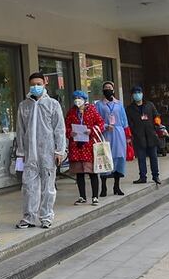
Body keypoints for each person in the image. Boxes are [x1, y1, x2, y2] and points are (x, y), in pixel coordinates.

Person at [15, 73, 66, 229]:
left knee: (48, 187)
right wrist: (20, 153)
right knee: (29, 186)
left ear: (45, 83)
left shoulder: (53, 104)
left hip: (48, 152)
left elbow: (59, 129)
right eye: (33, 84)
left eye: (39, 83)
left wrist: (59, 151)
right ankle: (29, 217)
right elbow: (20, 130)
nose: (36, 87)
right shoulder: (24, 105)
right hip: (30, 154)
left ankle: (46, 216)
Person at [66, 90, 105, 206]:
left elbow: (101, 124)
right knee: (79, 173)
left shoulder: (92, 110)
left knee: (92, 172)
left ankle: (95, 196)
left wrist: (91, 130)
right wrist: (70, 133)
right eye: (75, 98)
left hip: (89, 146)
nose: (77, 100)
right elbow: (65, 126)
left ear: (84, 99)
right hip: (76, 146)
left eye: (79, 97)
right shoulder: (71, 112)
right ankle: (82, 196)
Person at [95, 81, 129, 197]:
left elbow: (124, 121)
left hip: (118, 133)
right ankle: (103, 187)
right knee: (105, 158)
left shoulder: (119, 104)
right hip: (105, 134)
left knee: (119, 158)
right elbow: (96, 121)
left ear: (113, 90)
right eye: (105, 88)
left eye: (109, 87)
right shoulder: (99, 105)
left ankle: (117, 185)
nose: (107, 89)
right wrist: (104, 126)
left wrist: (127, 136)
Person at [126, 86, 162, 185]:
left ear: (142, 94)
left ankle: (156, 176)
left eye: (139, 92)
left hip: (151, 135)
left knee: (153, 157)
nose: (137, 94)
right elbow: (129, 122)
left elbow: (157, 116)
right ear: (132, 96)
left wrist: (157, 124)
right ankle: (142, 177)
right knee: (141, 158)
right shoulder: (130, 109)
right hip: (138, 136)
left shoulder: (149, 105)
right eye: (135, 93)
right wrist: (133, 132)